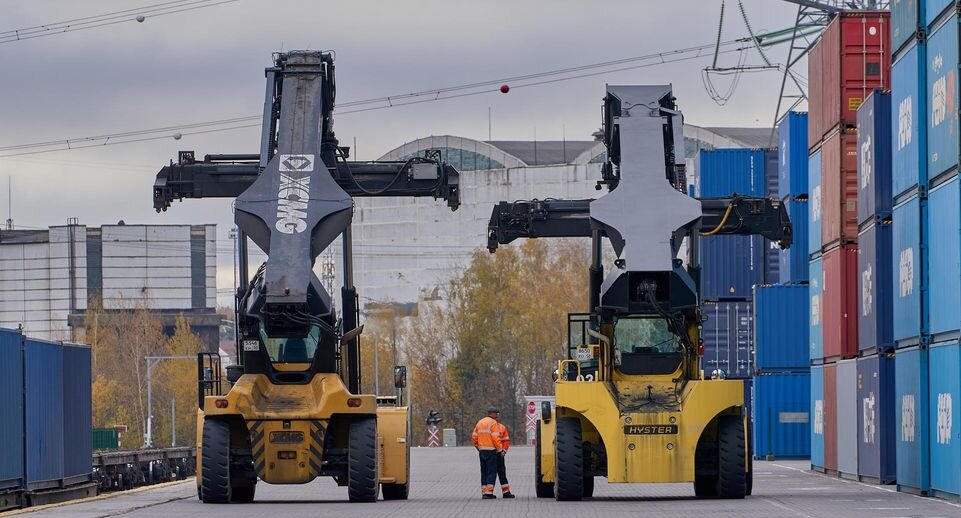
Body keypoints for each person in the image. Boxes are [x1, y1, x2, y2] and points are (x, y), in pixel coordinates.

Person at [471, 406, 504, 499]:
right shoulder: (493, 423)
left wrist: (478, 446)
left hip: (482, 451)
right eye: (496, 413)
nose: (497, 415)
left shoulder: (480, 422)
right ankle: (489, 492)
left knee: (484, 471)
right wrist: (500, 449)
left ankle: (484, 492)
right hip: (491, 451)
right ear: (492, 413)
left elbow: (474, 437)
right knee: (491, 471)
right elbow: (495, 438)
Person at [493, 416, 515, 498]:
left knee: (501, 472)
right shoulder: (490, 427)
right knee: (493, 473)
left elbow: (506, 440)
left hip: (499, 453)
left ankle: (505, 491)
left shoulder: (501, 427)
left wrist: (504, 451)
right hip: (493, 452)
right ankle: (489, 492)